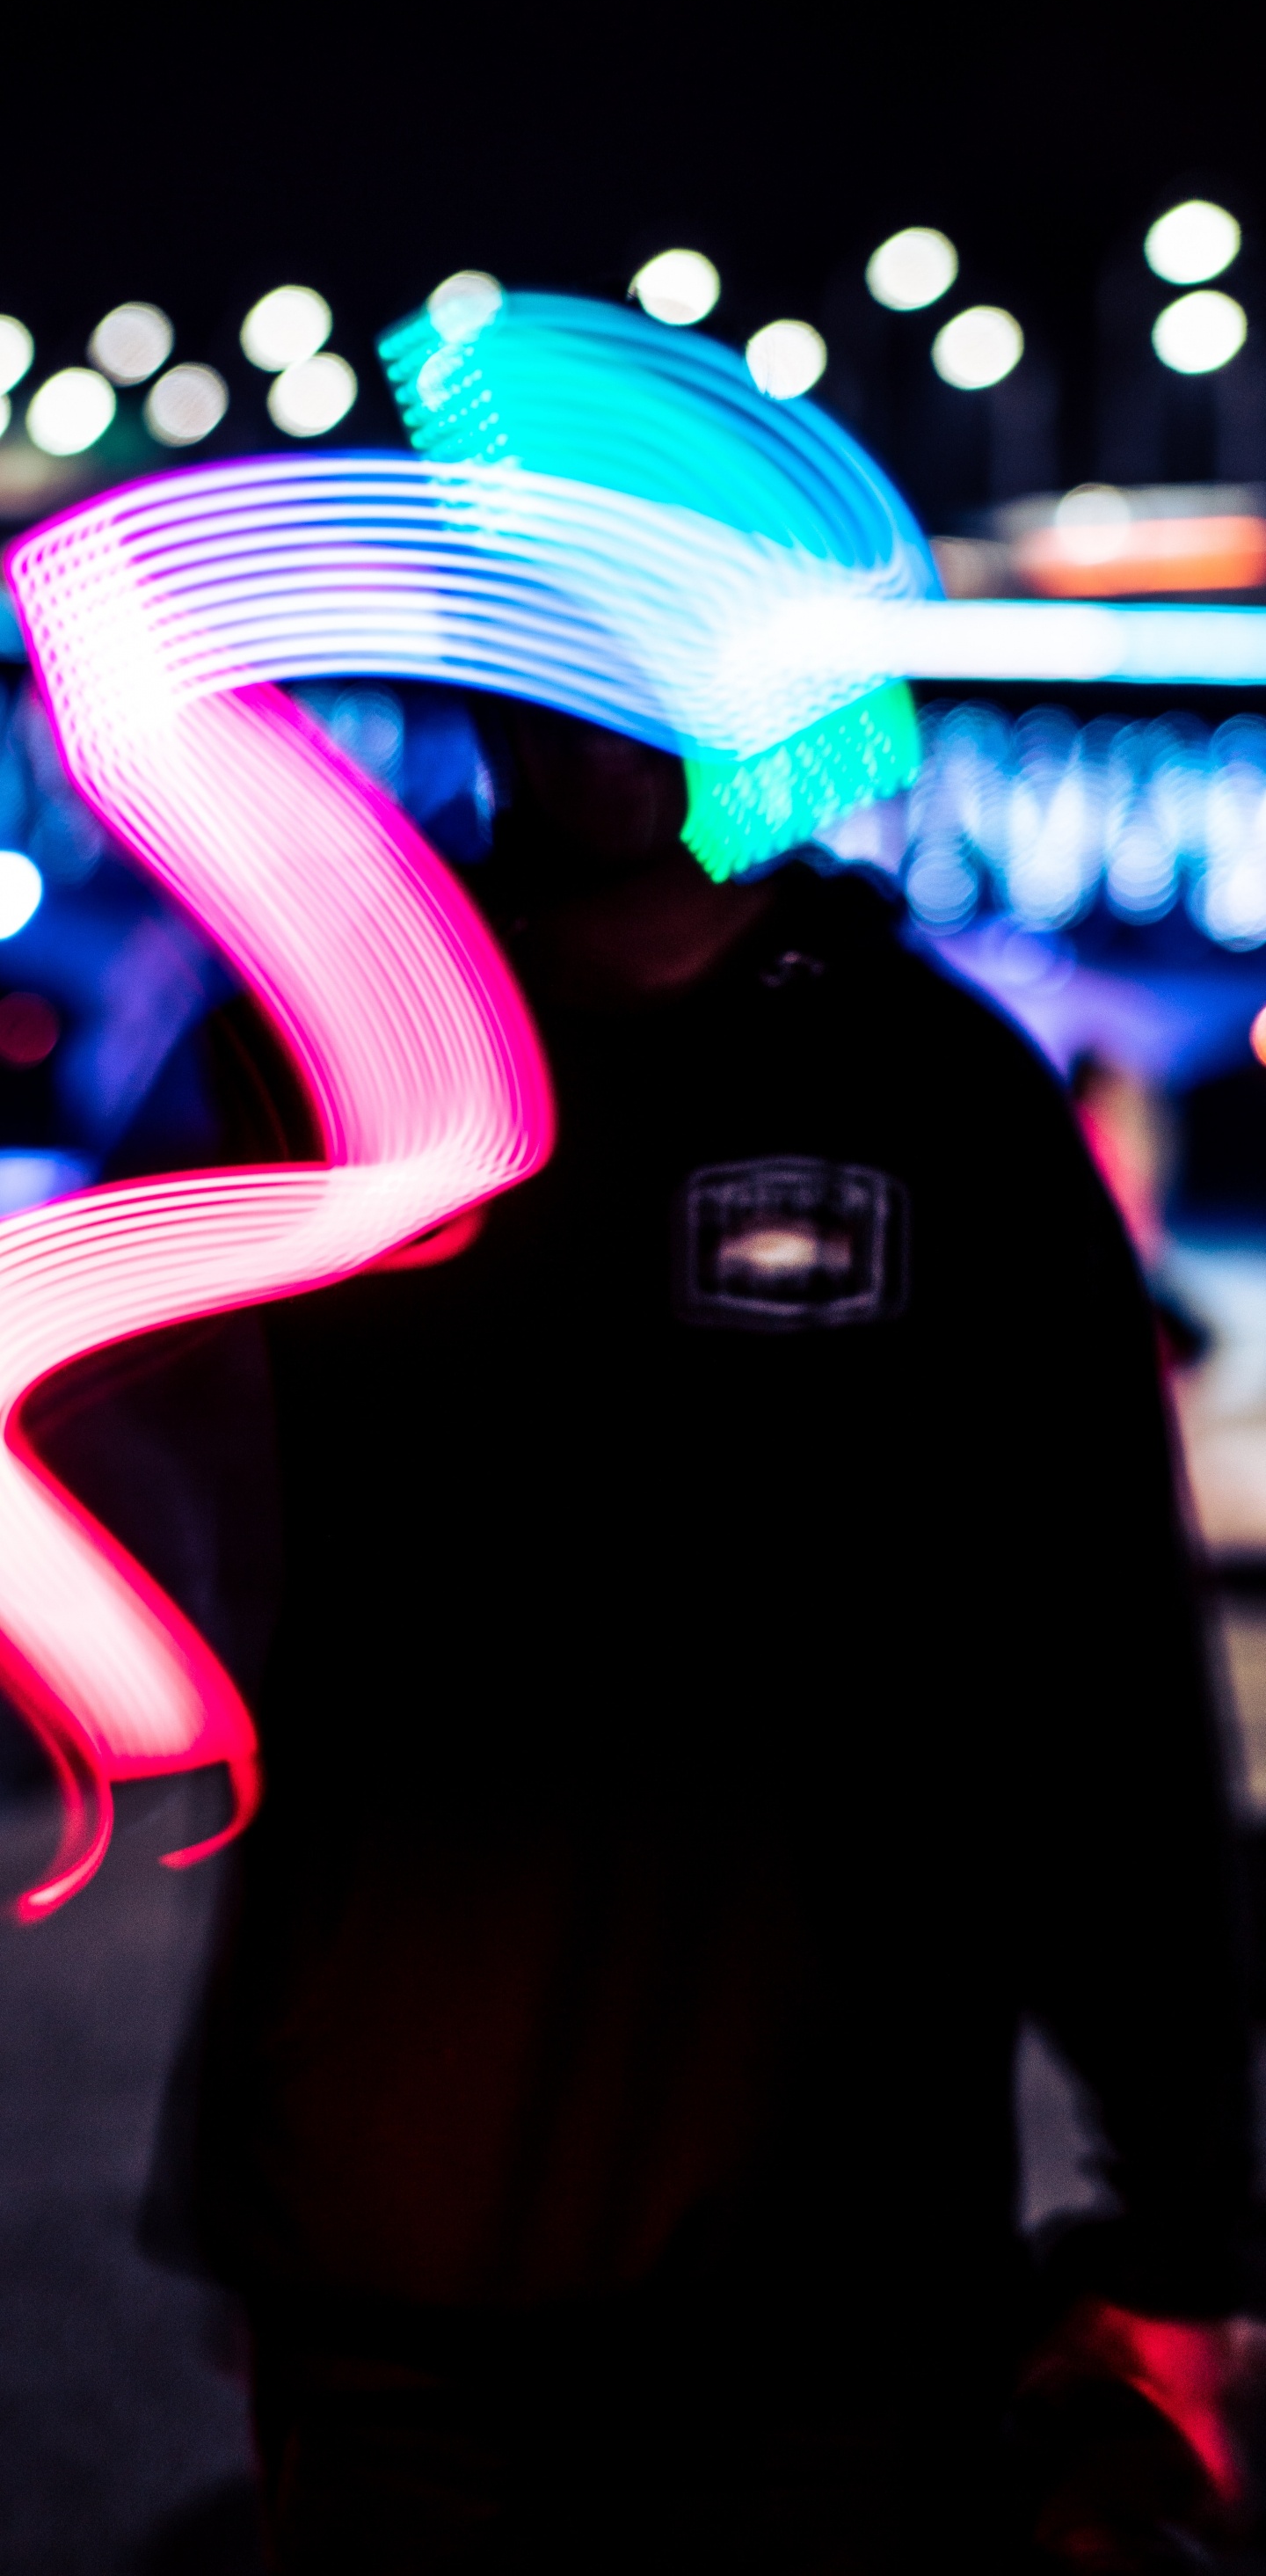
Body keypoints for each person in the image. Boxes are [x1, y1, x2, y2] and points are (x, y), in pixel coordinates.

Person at [168, 687, 1256, 2572]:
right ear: (468, 675)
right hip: (387, 2262)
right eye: (537, 637)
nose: (585, 701)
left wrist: (1189, 2223)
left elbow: (1104, 1688)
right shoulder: (295, 1067)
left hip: (831, 2279)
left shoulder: (939, 1095)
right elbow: (142, 1504)